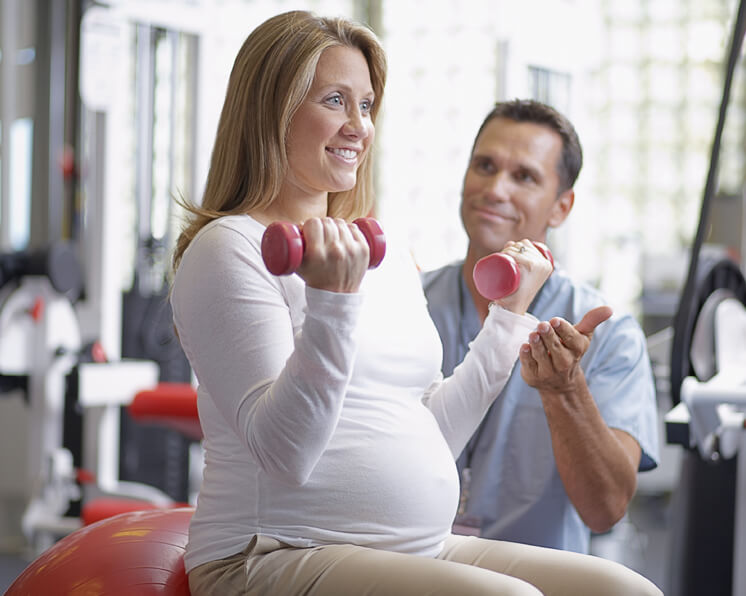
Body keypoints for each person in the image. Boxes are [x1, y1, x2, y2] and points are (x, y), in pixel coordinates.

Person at [170, 11, 662, 595]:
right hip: (273, 549)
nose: (358, 126)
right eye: (334, 100)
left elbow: (431, 434)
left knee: (626, 591)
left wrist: (508, 319)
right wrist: (331, 302)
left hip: (411, 547)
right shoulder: (229, 247)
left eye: (367, 106)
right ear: (271, 108)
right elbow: (285, 454)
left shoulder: (383, 251)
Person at [422, 99, 660, 555]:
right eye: (484, 166)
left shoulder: (608, 333)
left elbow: (606, 508)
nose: (495, 189)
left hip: (534, 577)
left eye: (524, 176)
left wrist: (564, 390)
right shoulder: (410, 303)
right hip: (412, 570)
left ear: (561, 207)